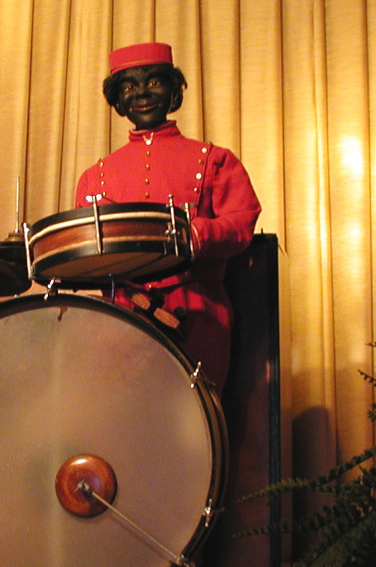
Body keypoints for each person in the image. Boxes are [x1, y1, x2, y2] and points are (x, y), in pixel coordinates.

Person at [75, 42, 261, 392]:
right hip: (120, 317)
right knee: (122, 420)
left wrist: (195, 234)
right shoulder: (94, 175)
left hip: (198, 312)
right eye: (129, 87)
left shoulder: (215, 159)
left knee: (196, 423)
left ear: (174, 90)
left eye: (154, 82)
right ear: (117, 100)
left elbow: (242, 219)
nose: (142, 94)